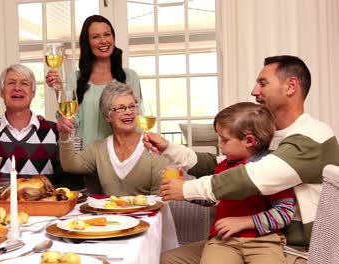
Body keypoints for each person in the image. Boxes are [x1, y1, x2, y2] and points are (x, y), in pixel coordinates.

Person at [144, 55, 339, 264]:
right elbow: (219, 165)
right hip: (238, 239)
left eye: (263, 83)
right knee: (166, 260)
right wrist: (170, 149)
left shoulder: (312, 136)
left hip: (291, 247)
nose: (254, 91)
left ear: (291, 86)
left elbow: (248, 177)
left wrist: (185, 190)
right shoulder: (269, 136)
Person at [0, 64, 82, 189]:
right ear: (1, 92)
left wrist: (68, 140)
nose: (17, 88)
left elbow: (71, 181)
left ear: (33, 93)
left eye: (24, 83)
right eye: (11, 83)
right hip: (2, 208)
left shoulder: (55, 131)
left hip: (44, 207)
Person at [198, 102, 294, 263]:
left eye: (224, 140)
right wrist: (183, 191)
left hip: (264, 241)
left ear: (249, 141)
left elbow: (284, 214)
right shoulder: (223, 166)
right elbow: (210, 198)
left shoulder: (272, 169)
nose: (219, 145)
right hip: (223, 241)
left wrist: (243, 222)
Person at [46, 14, 141, 146]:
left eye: (107, 34)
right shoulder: (75, 78)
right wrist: (59, 90)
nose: (103, 41)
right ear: (87, 43)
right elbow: (72, 120)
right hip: (83, 159)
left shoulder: (130, 77)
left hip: (120, 159)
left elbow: (137, 120)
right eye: (96, 37)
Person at [59, 82, 167, 195]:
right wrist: (64, 134)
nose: (129, 112)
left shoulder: (154, 147)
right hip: (108, 213)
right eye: (120, 108)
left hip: (149, 212)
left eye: (132, 106)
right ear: (107, 116)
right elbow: (69, 165)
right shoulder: (98, 149)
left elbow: (160, 199)